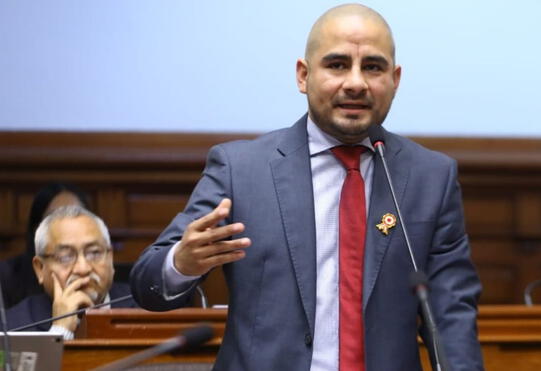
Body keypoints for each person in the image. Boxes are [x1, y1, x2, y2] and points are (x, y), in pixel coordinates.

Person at [131, 4, 483, 371]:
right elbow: (147, 284)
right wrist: (182, 263)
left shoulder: (431, 176)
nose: (356, 83)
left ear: (395, 80)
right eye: (337, 65)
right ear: (303, 76)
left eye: (373, 67)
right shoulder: (241, 170)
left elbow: (451, 316)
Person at [6, 205, 137, 340]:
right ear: (40, 268)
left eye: (94, 253)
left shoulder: (144, 309)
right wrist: (60, 331)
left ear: (110, 257)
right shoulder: (12, 326)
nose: (83, 268)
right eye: (65, 257)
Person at [0, 182, 90, 309]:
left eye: (76, 216)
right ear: (37, 228)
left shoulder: (99, 273)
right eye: (56, 218)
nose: (67, 226)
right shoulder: (6, 277)